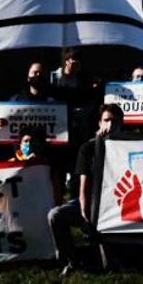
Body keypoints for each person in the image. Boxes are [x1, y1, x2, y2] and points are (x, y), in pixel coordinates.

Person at [48, 104, 124, 271]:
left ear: (121, 124)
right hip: (91, 204)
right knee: (55, 215)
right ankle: (70, 260)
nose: (110, 125)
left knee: (108, 266)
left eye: (115, 121)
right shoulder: (88, 148)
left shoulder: (128, 148)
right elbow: (84, 188)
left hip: (116, 208)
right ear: (99, 123)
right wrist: (86, 217)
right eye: (106, 120)